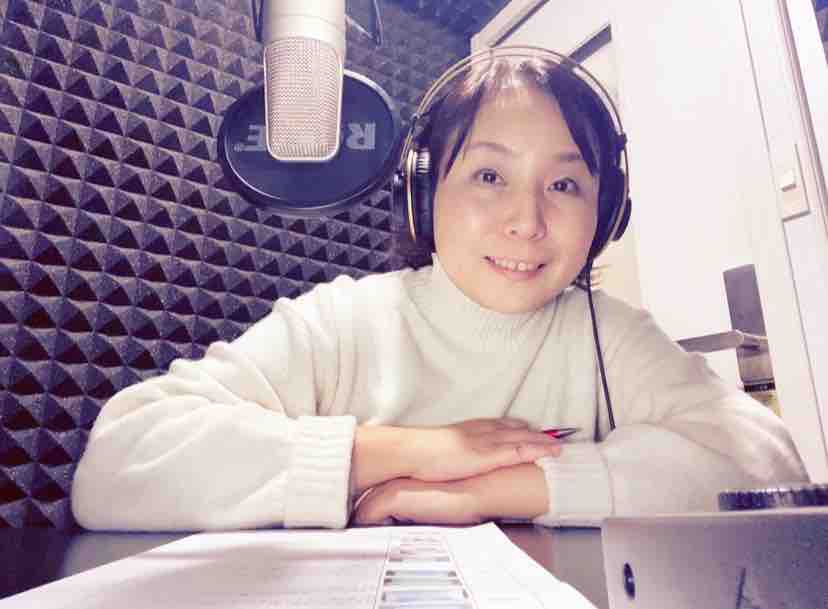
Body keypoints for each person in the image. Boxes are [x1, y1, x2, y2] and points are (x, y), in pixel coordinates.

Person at [71, 48, 808, 531]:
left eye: (564, 185)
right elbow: (119, 462)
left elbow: (767, 466)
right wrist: (407, 450)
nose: (527, 221)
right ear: (423, 196)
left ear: (606, 212)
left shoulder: (606, 334)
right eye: (489, 175)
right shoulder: (341, 322)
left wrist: (483, 491)